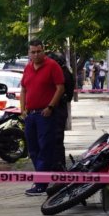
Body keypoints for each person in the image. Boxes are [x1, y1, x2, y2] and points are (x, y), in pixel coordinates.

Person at [20, 40, 65, 195]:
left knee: (45, 148)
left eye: (39, 51)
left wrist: (51, 107)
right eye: (33, 52)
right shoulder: (27, 68)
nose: (36, 54)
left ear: (43, 51)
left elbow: (60, 88)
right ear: (29, 53)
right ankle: (42, 177)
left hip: (45, 114)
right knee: (33, 149)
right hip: (30, 115)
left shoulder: (52, 66)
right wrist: (22, 109)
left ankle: (40, 184)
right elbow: (23, 89)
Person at [47, 52, 76, 171]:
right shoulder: (66, 73)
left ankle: (58, 166)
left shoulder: (62, 74)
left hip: (57, 109)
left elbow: (66, 94)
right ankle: (57, 164)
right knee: (56, 138)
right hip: (60, 108)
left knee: (56, 138)